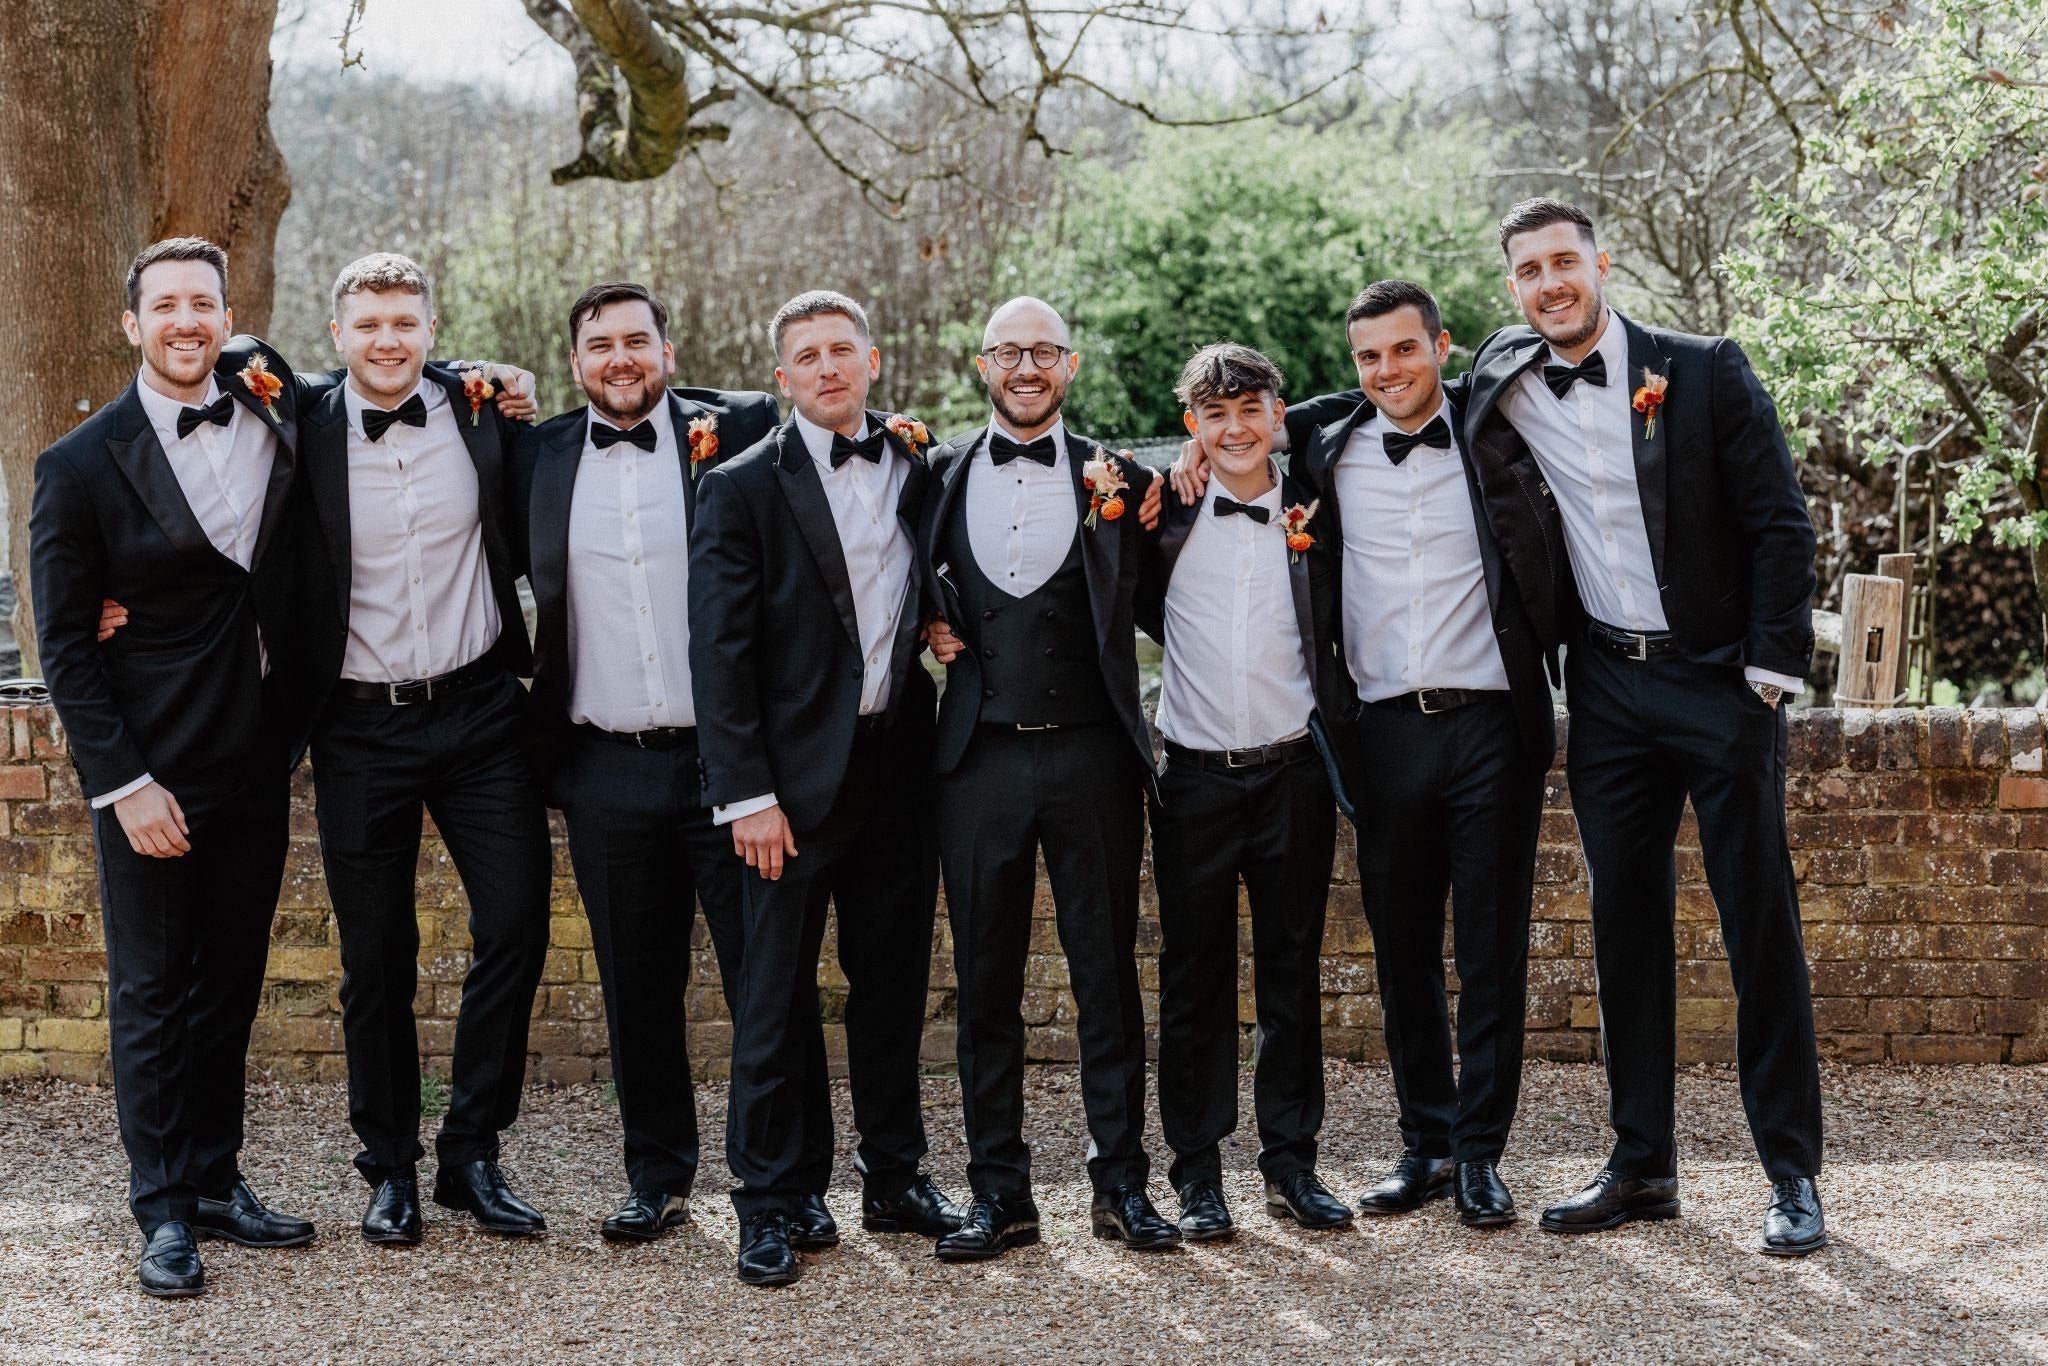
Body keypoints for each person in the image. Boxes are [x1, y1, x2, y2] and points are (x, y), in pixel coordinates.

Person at [1463, 198, 1826, 1255]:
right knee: (1622, 926)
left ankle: (1790, 1173)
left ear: (1599, 263)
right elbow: (1390, 399)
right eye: (1527, 272)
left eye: (1562, 263)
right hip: (1605, 692)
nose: (1548, 285)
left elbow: (1778, 522)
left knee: (1758, 925)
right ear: (1513, 290)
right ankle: (1641, 1165)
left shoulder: (1702, 367)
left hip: (1718, 684)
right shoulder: (1502, 378)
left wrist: (1765, 675)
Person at [30, 237, 314, 1296]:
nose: (188, 321)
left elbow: (366, 381)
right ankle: (161, 1210)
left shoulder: (273, 408)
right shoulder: (79, 464)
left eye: (206, 303)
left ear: (228, 317)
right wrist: (123, 782)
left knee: (227, 987)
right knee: (153, 992)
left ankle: (216, 1177)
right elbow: (62, 643)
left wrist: (487, 384)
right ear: (132, 324)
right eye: (167, 305)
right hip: (148, 772)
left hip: (256, 758)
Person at [688, 289, 965, 1288]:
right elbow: (716, 657)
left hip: (898, 770)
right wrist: (744, 793)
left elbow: (941, 572)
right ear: (782, 378)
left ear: (872, 359)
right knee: (770, 1000)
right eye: (805, 356)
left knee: (890, 991)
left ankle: (892, 1177)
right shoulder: (737, 487)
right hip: (787, 788)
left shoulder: (916, 463)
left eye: (840, 350)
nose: (825, 368)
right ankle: (769, 1199)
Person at [293, 253, 553, 1245]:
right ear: (338, 336)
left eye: (404, 321)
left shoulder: (484, 413)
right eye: (368, 324)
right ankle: (389, 1165)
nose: (387, 340)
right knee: (377, 959)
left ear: (432, 329)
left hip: (482, 711)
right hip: (358, 725)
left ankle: (471, 1152)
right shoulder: (299, 426)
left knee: (517, 924)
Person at [515, 281, 778, 1242]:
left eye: (637, 340)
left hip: (734, 765)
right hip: (603, 763)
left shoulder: (743, 427)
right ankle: (657, 1176)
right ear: (575, 362)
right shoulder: (535, 452)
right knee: (637, 986)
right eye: (599, 345)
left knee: (765, 982)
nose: (619, 359)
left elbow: (849, 466)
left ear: (669, 349)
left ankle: (774, 1189)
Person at [919, 297, 1174, 1262]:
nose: (1027, 367)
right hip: (974, 759)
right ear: (983, 363)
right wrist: (921, 626)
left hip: (1093, 756)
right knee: (985, 988)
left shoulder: (1127, 478)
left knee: (1107, 977)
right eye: (1009, 351)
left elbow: (1178, 586)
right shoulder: (932, 472)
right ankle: (1002, 1196)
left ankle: (1122, 1190)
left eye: (1045, 352)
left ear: (1070, 364)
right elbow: (872, 569)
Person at [1135, 343, 1357, 1241]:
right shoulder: (1160, 516)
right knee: (1192, 981)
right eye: (1214, 415)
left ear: (1279, 416)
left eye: (1251, 410)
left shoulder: (1319, 510)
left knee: (1291, 973)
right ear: (1192, 425)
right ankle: (1196, 1173)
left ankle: (1291, 1164)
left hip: (1293, 774)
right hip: (1191, 778)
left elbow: (1374, 398)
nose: (1234, 429)